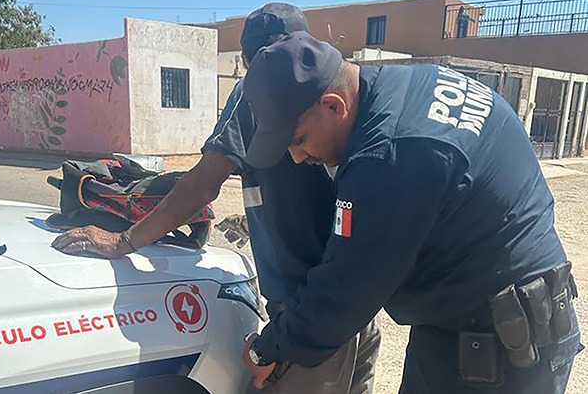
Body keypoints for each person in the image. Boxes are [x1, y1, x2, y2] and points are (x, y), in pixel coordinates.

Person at [51, 3, 379, 394]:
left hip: (309, 313)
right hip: (359, 300)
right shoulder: (345, 88)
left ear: (247, 60)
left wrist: (123, 242)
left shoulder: (257, 87)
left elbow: (203, 183)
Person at [239, 31, 582, 393]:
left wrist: (267, 349)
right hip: (485, 322)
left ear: (333, 106)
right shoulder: (415, 83)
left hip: (500, 351)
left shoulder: (391, 154)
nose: (297, 157)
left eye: (300, 139)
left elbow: (345, 291)